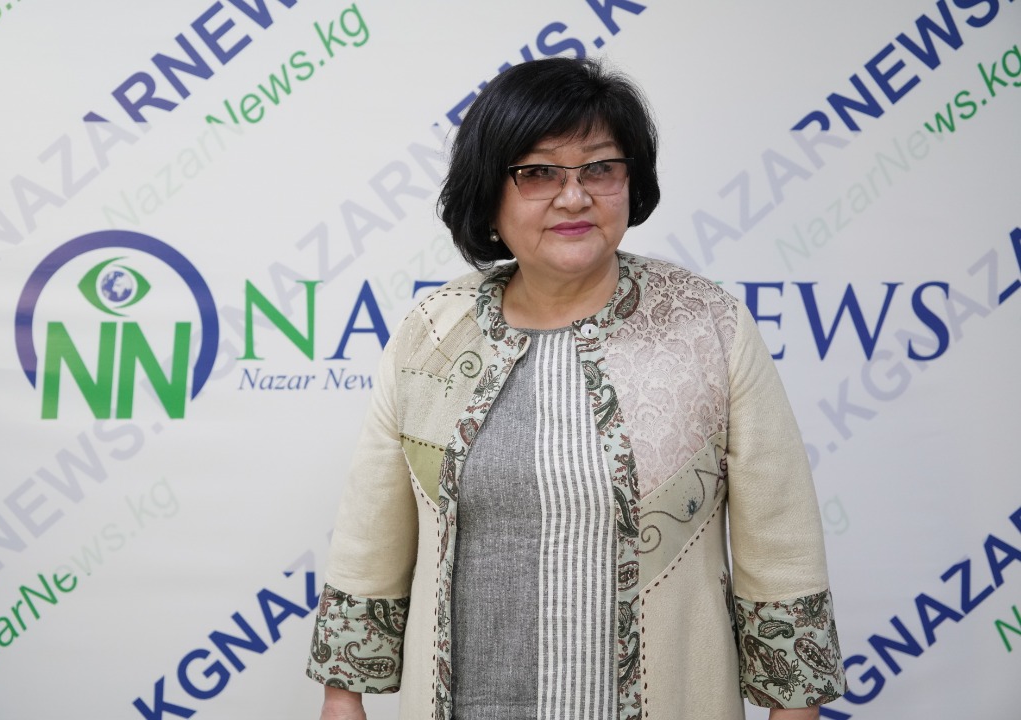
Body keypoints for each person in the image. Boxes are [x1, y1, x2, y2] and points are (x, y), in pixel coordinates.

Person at [308, 57, 846, 720]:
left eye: (599, 168)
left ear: (630, 183)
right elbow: (369, 533)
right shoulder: (433, 333)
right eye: (538, 173)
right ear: (489, 194)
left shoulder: (708, 325)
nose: (573, 197)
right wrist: (343, 695)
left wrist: (795, 708)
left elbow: (781, 539)